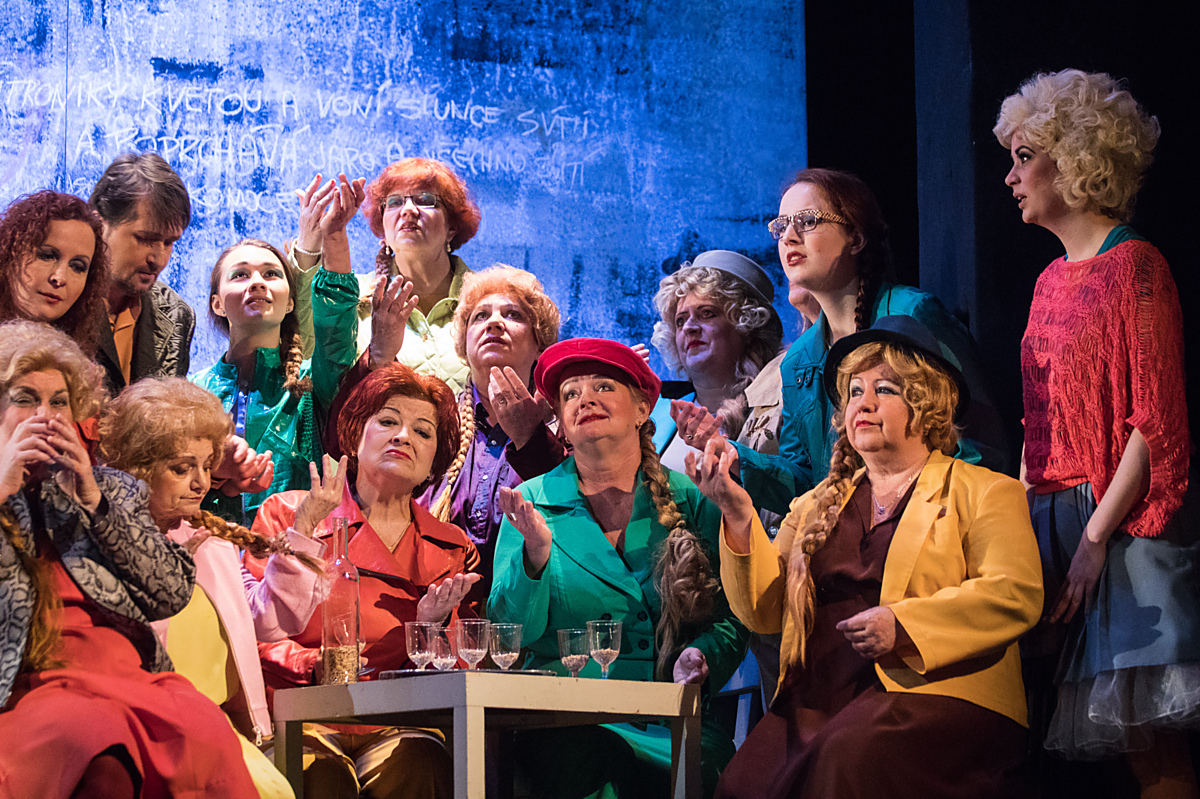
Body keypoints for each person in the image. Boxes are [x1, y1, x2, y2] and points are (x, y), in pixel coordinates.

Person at [688, 316, 1043, 798]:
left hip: (934, 693)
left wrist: (904, 624)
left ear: (927, 403)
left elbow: (1014, 593)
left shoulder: (984, 491)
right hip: (817, 695)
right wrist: (737, 512)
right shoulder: (815, 506)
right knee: (741, 783)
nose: (864, 403)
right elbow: (764, 611)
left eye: (885, 390)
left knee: (847, 759)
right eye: (855, 391)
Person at [996, 69, 1199, 794]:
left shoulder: (1136, 267)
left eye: (1025, 157)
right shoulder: (1050, 280)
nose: (1011, 177)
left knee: (1149, 741)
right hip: (1054, 514)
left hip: (1121, 520)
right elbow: (1040, 416)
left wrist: (1094, 538)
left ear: (1076, 160)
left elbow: (1156, 420)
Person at [0, 320, 257, 798]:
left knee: (205, 731)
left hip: (128, 673)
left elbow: (170, 590)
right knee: (97, 740)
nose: (45, 416)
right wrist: (5, 488)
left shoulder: (112, 490)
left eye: (59, 402)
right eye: (25, 399)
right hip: (36, 679)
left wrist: (95, 502)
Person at [489, 338, 749, 798]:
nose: (585, 399)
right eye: (570, 394)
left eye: (603, 387)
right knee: (589, 760)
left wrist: (702, 655)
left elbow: (732, 615)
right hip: (564, 722)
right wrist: (535, 557)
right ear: (561, 423)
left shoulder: (691, 497)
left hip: (669, 719)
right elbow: (507, 634)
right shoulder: (530, 501)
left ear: (643, 409)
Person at [680, 169, 1009, 519]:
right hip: (845, 543)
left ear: (855, 237)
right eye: (781, 226)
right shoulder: (798, 361)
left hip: (926, 530)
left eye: (807, 221)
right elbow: (806, 483)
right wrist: (730, 454)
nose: (789, 237)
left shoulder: (911, 314)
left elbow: (979, 443)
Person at [99, 377, 343, 799]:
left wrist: (304, 523)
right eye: (182, 468)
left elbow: (269, 621)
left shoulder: (212, 544)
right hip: (147, 732)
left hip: (221, 732)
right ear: (139, 469)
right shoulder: (107, 544)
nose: (200, 482)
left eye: (205, 467)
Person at [250, 363, 481, 799]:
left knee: (418, 762)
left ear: (436, 459)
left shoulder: (452, 546)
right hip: (302, 715)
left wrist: (429, 629)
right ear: (356, 435)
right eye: (388, 422)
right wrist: (310, 664)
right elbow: (249, 630)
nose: (403, 437)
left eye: (422, 431)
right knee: (321, 774)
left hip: (398, 721)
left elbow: (467, 663)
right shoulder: (290, 515)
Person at [190, 175, 363, 525]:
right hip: (208, 549)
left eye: (271, 274)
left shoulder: (311, 385)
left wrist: (334, 237)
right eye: (240, 275)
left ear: (290, 303)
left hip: (294, 547)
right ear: (217, 304)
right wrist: (217, 474)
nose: (257, 282)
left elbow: (335, 335)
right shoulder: (194, 392)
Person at [417, 264, 565, 595]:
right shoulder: (431, 422)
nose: (494, 323)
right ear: (463, 344)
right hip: (436, 607)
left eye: (513, 315)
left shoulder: (564, 425)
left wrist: (532, 437)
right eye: (480, 316)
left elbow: (573, 519)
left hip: (532, 605)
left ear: (540, 344)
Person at [648, 249, 784, 473]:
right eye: (680, 321)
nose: (689, 327)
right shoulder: (655, 411)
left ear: (746, 326)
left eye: (707, 314)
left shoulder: (780, 406)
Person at [357, 157, 483, 393]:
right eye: (394, 202)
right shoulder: (355, 299)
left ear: (451, 228)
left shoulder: (488, 300)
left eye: (425, 200)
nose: (408, 210)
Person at [89, 152, 195, 392]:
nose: (158, 259)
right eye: (145, 239)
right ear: (99, 224)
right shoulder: (61, 299)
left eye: (169, 243)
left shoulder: (177, 314)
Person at [0, 191, 110, 356]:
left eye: (77, 267)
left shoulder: (81, 363)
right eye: (47, 256)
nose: (60, 278)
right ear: (10, 254)